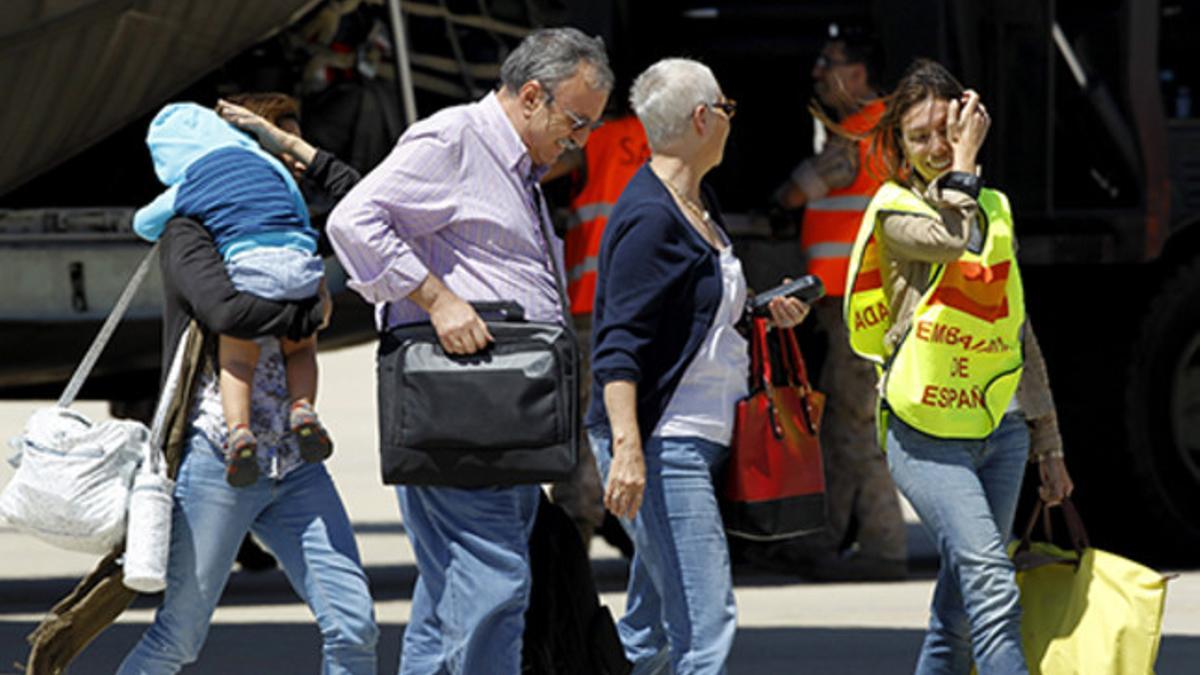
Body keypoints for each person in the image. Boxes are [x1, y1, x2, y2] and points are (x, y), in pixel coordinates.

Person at [326, 27, 613, 673]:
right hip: (465, 405)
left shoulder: (515, 163)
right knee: (495, 584)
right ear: (532, 95)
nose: (581, 137)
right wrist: (437, 299)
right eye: (576, 120)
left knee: (448, 595)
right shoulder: (455, 138)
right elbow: (353, 220)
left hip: (500, 411)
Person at [118, 99, 378, 673]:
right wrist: (307, 312)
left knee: (355, 625)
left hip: (295, 457)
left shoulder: (287, 221)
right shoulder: (189, 229)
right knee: (178, 639)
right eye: (283, 148)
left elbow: (369, 201)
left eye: (296, 150)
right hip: (218, 456)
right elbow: (226, 311)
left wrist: (294, 151)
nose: (294, 164)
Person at [842, 59, 1074, 673]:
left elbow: (1015, 327)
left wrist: (1047, 442)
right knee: (993, 587)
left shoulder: (995, 207)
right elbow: (950, 237)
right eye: (920, 138)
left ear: (970, 121)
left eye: (949, 130)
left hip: (998, 431)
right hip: (926, 435)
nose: (938, 148)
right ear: (900, 145)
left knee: (959, 613)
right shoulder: (895, 210)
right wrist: (967, 160)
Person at [587, 57, 810, 673]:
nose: (732, 122)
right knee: (706, 624)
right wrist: (628, 448)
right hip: (664, 445)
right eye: (728, 110)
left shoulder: (696, 203)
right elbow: (617, 347)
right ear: (703, 117)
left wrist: (761, 314)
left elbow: (691, 320)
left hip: (698, 438)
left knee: (650, 622)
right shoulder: (651, 218)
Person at [764, 28, 908, 581]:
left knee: (855, 423)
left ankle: (883, 546)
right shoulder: (885, 129)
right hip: (853, 303)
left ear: (860, 73)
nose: (820, 72)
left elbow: (801, 189)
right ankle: (822, 538)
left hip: (859, 304)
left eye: (831, 62)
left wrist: (777, 199)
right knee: (843, 424)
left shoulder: (860, 133)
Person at [132, 103, 333, 487]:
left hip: (251, 266)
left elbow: (143, 224)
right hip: (298, 261)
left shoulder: (194, 179)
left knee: (238, 359)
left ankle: (239, 431)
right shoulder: (268, 165)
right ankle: (304, 409)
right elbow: (299, 210)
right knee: (302, 348)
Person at [545, 99, 651, 546]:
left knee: (589, 419)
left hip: (594, 302)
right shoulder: (674, 141)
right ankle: (634, 524)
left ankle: (577, 525)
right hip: (652, 306)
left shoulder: (596, 139)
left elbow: (536, 168)